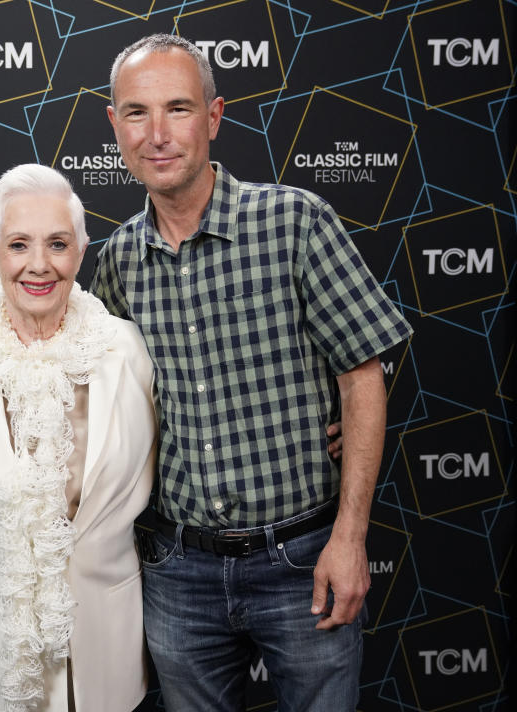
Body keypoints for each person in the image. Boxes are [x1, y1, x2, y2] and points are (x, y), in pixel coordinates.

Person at [89, 34, 413, 711]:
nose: (157, 134)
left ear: (213, 116)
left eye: (177, 108)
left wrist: (350, 540)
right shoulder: (117, 261)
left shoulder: (293, 222)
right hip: (177, 573)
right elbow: (90, 394)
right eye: (137, 113)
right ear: (114, 125)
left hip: (302, 560)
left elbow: (363, 375)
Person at [0, 164, 157, 712]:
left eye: (57, 244)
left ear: (80, 251)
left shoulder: (127, 349)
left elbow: (193, 427)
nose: (38, 265)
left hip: (109, 640)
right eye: (18, 244)